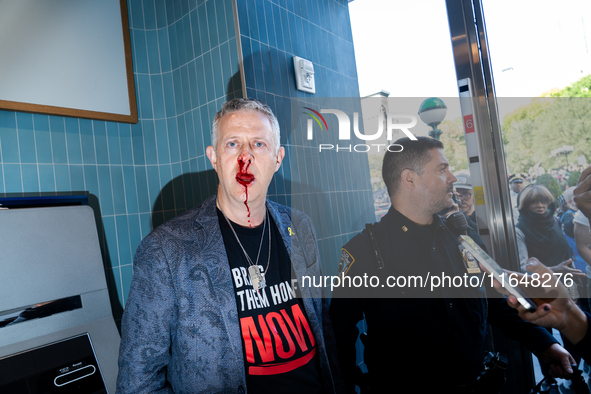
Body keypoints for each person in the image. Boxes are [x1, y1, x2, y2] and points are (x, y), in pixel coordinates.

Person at [117, 99, 342, 393]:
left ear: (278, 158)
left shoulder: (300, 227)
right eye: (233, 144)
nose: (244, 158)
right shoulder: (166, 250)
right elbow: (138, 381)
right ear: (213, 157)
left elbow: (322, 327)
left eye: (258, 144)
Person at [329, 136, 574, 393]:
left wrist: (545, 344)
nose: (453, 178)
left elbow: (496, 300)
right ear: (409, 179)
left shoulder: (462, 234)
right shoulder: (366, 251)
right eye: (442, 169)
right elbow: (338, 332)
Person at [514, 185, 583, 278]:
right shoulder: (519, 230)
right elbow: (523, 269)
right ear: (525, 205)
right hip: (542, 287)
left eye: (544, 201)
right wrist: (553, 270)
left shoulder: (554, 222)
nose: (540, 205)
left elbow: (566, 254)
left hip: (567, 283)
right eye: (533, 202)